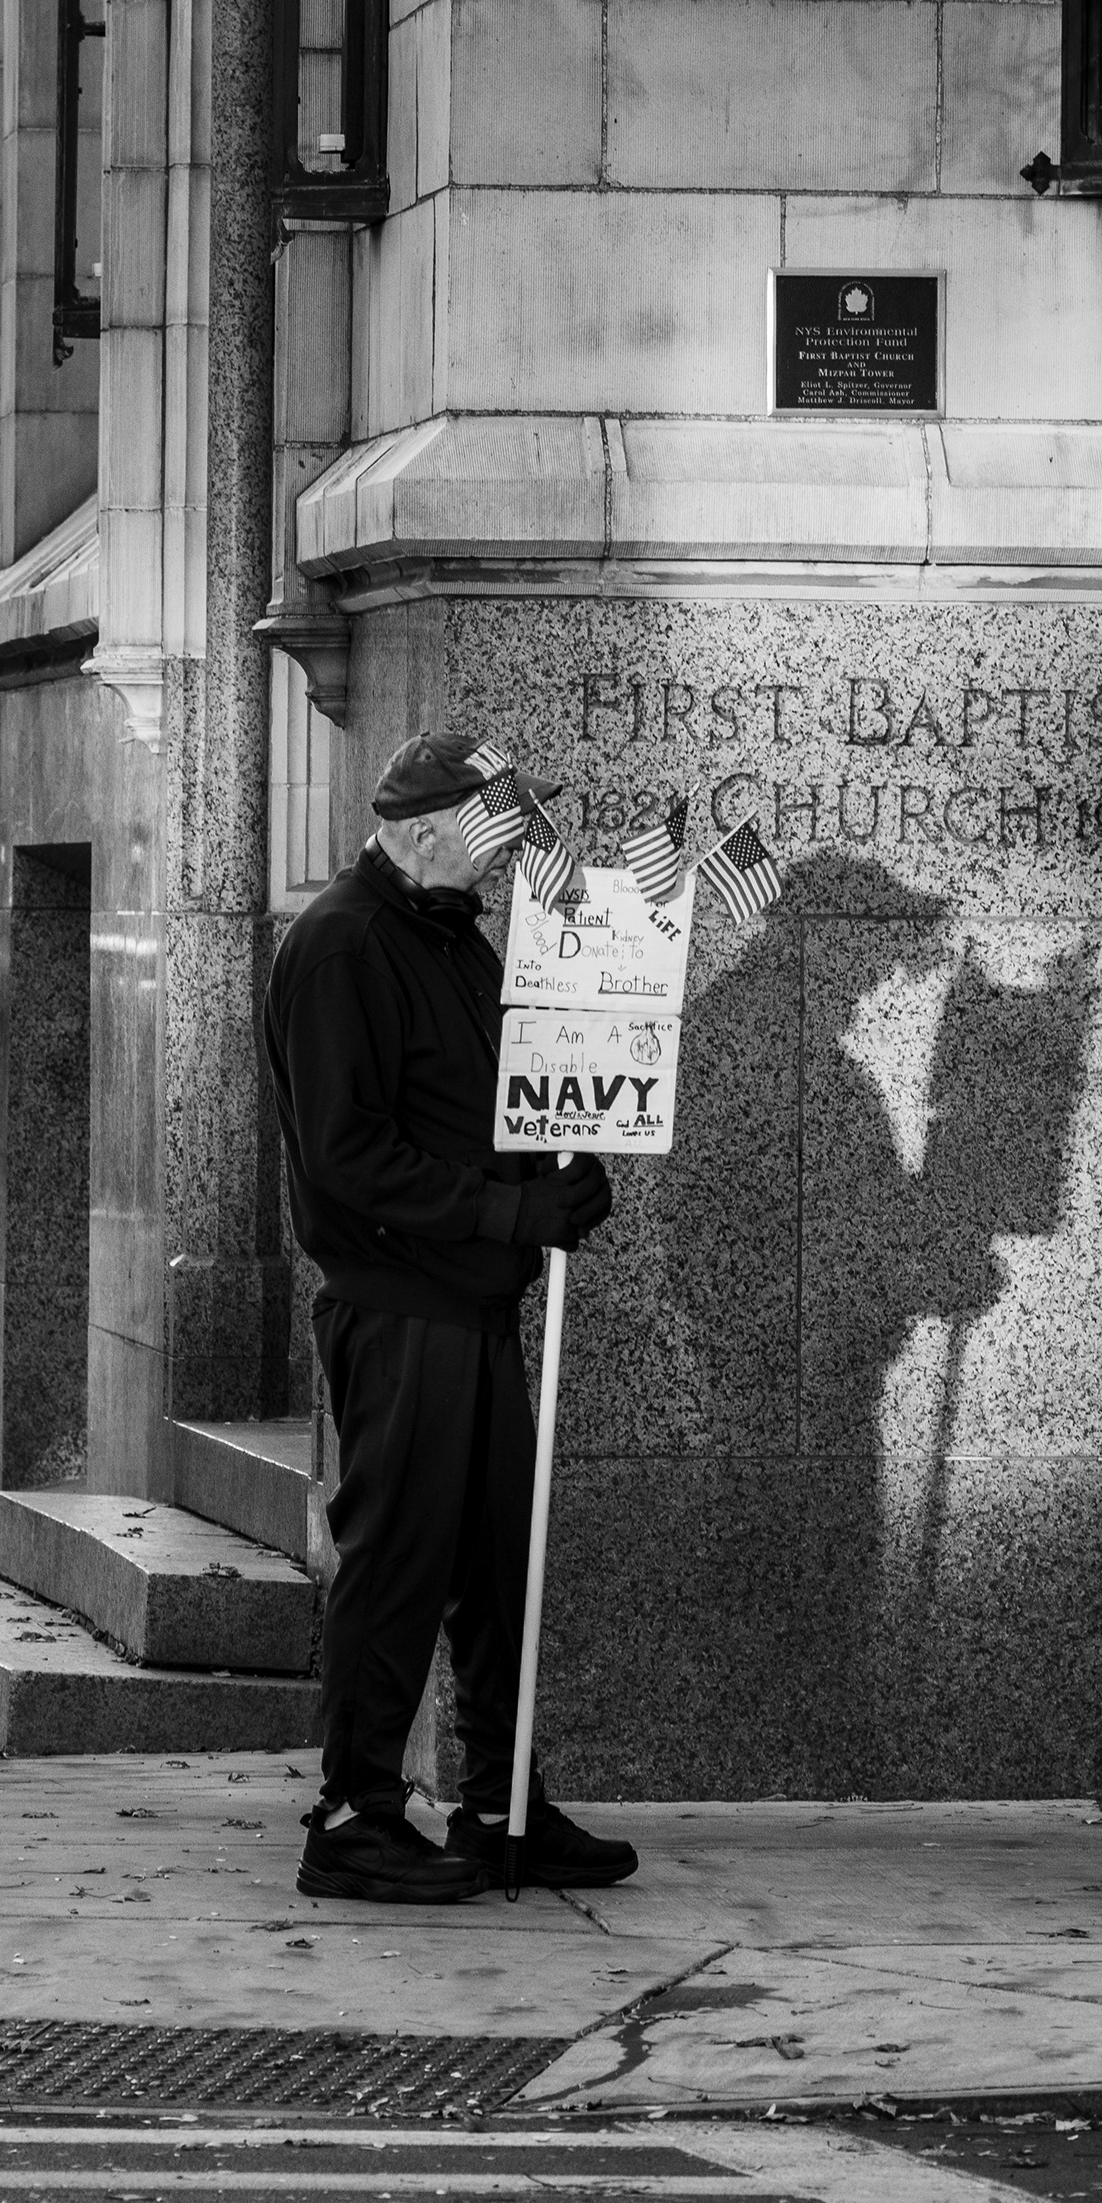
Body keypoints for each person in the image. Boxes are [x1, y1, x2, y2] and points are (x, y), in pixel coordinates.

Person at [260, 731, 628, 1906]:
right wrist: (508, 1207)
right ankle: (356, 1813)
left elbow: (495, 1096)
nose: (516, 839)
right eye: (498, 818)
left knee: (493, 1562)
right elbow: (350, 1157)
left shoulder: (451, 937)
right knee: (401, 1563)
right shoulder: (339, 947)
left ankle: (499, 1802)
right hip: (401, 1309)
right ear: (423, 831)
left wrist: (558, 1173)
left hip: (473, 1302)